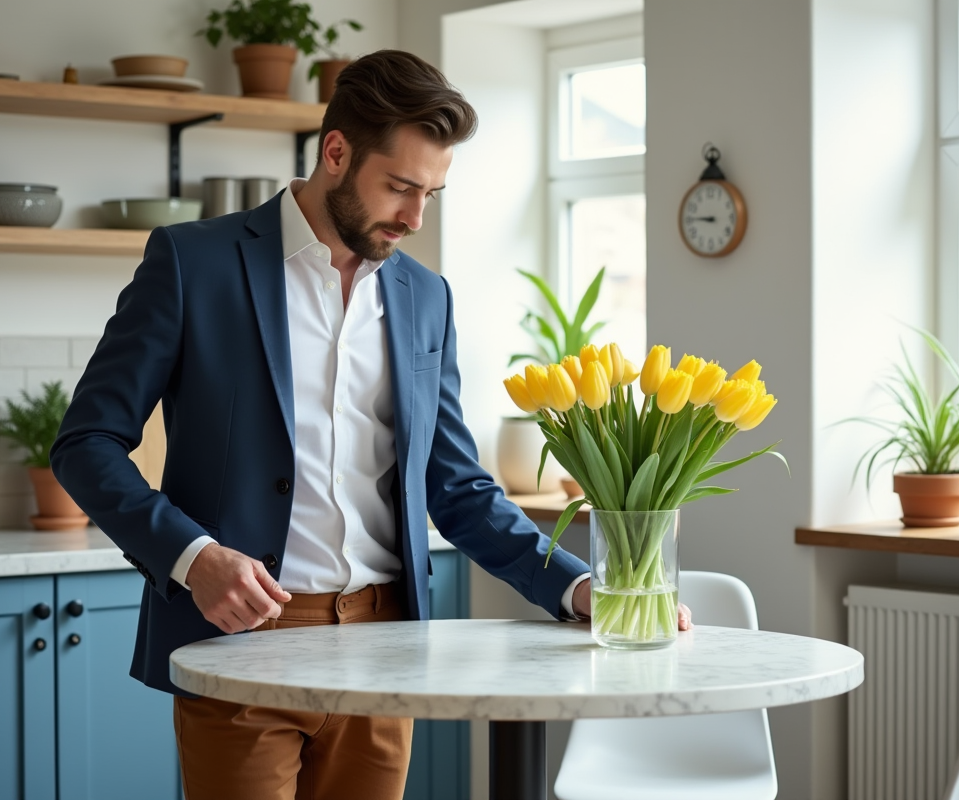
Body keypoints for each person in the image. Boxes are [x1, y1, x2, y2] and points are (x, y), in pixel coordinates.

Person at [51, 49, 690, 800]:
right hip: (242, 642)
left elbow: (456, 488)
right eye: (400, 187)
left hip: (388, 643)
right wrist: (195, 557)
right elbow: (86, 444)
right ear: (335, 152)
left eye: (433, 195)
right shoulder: (196, 263)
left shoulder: (426, 297)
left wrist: (582, 587)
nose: (415, 218)